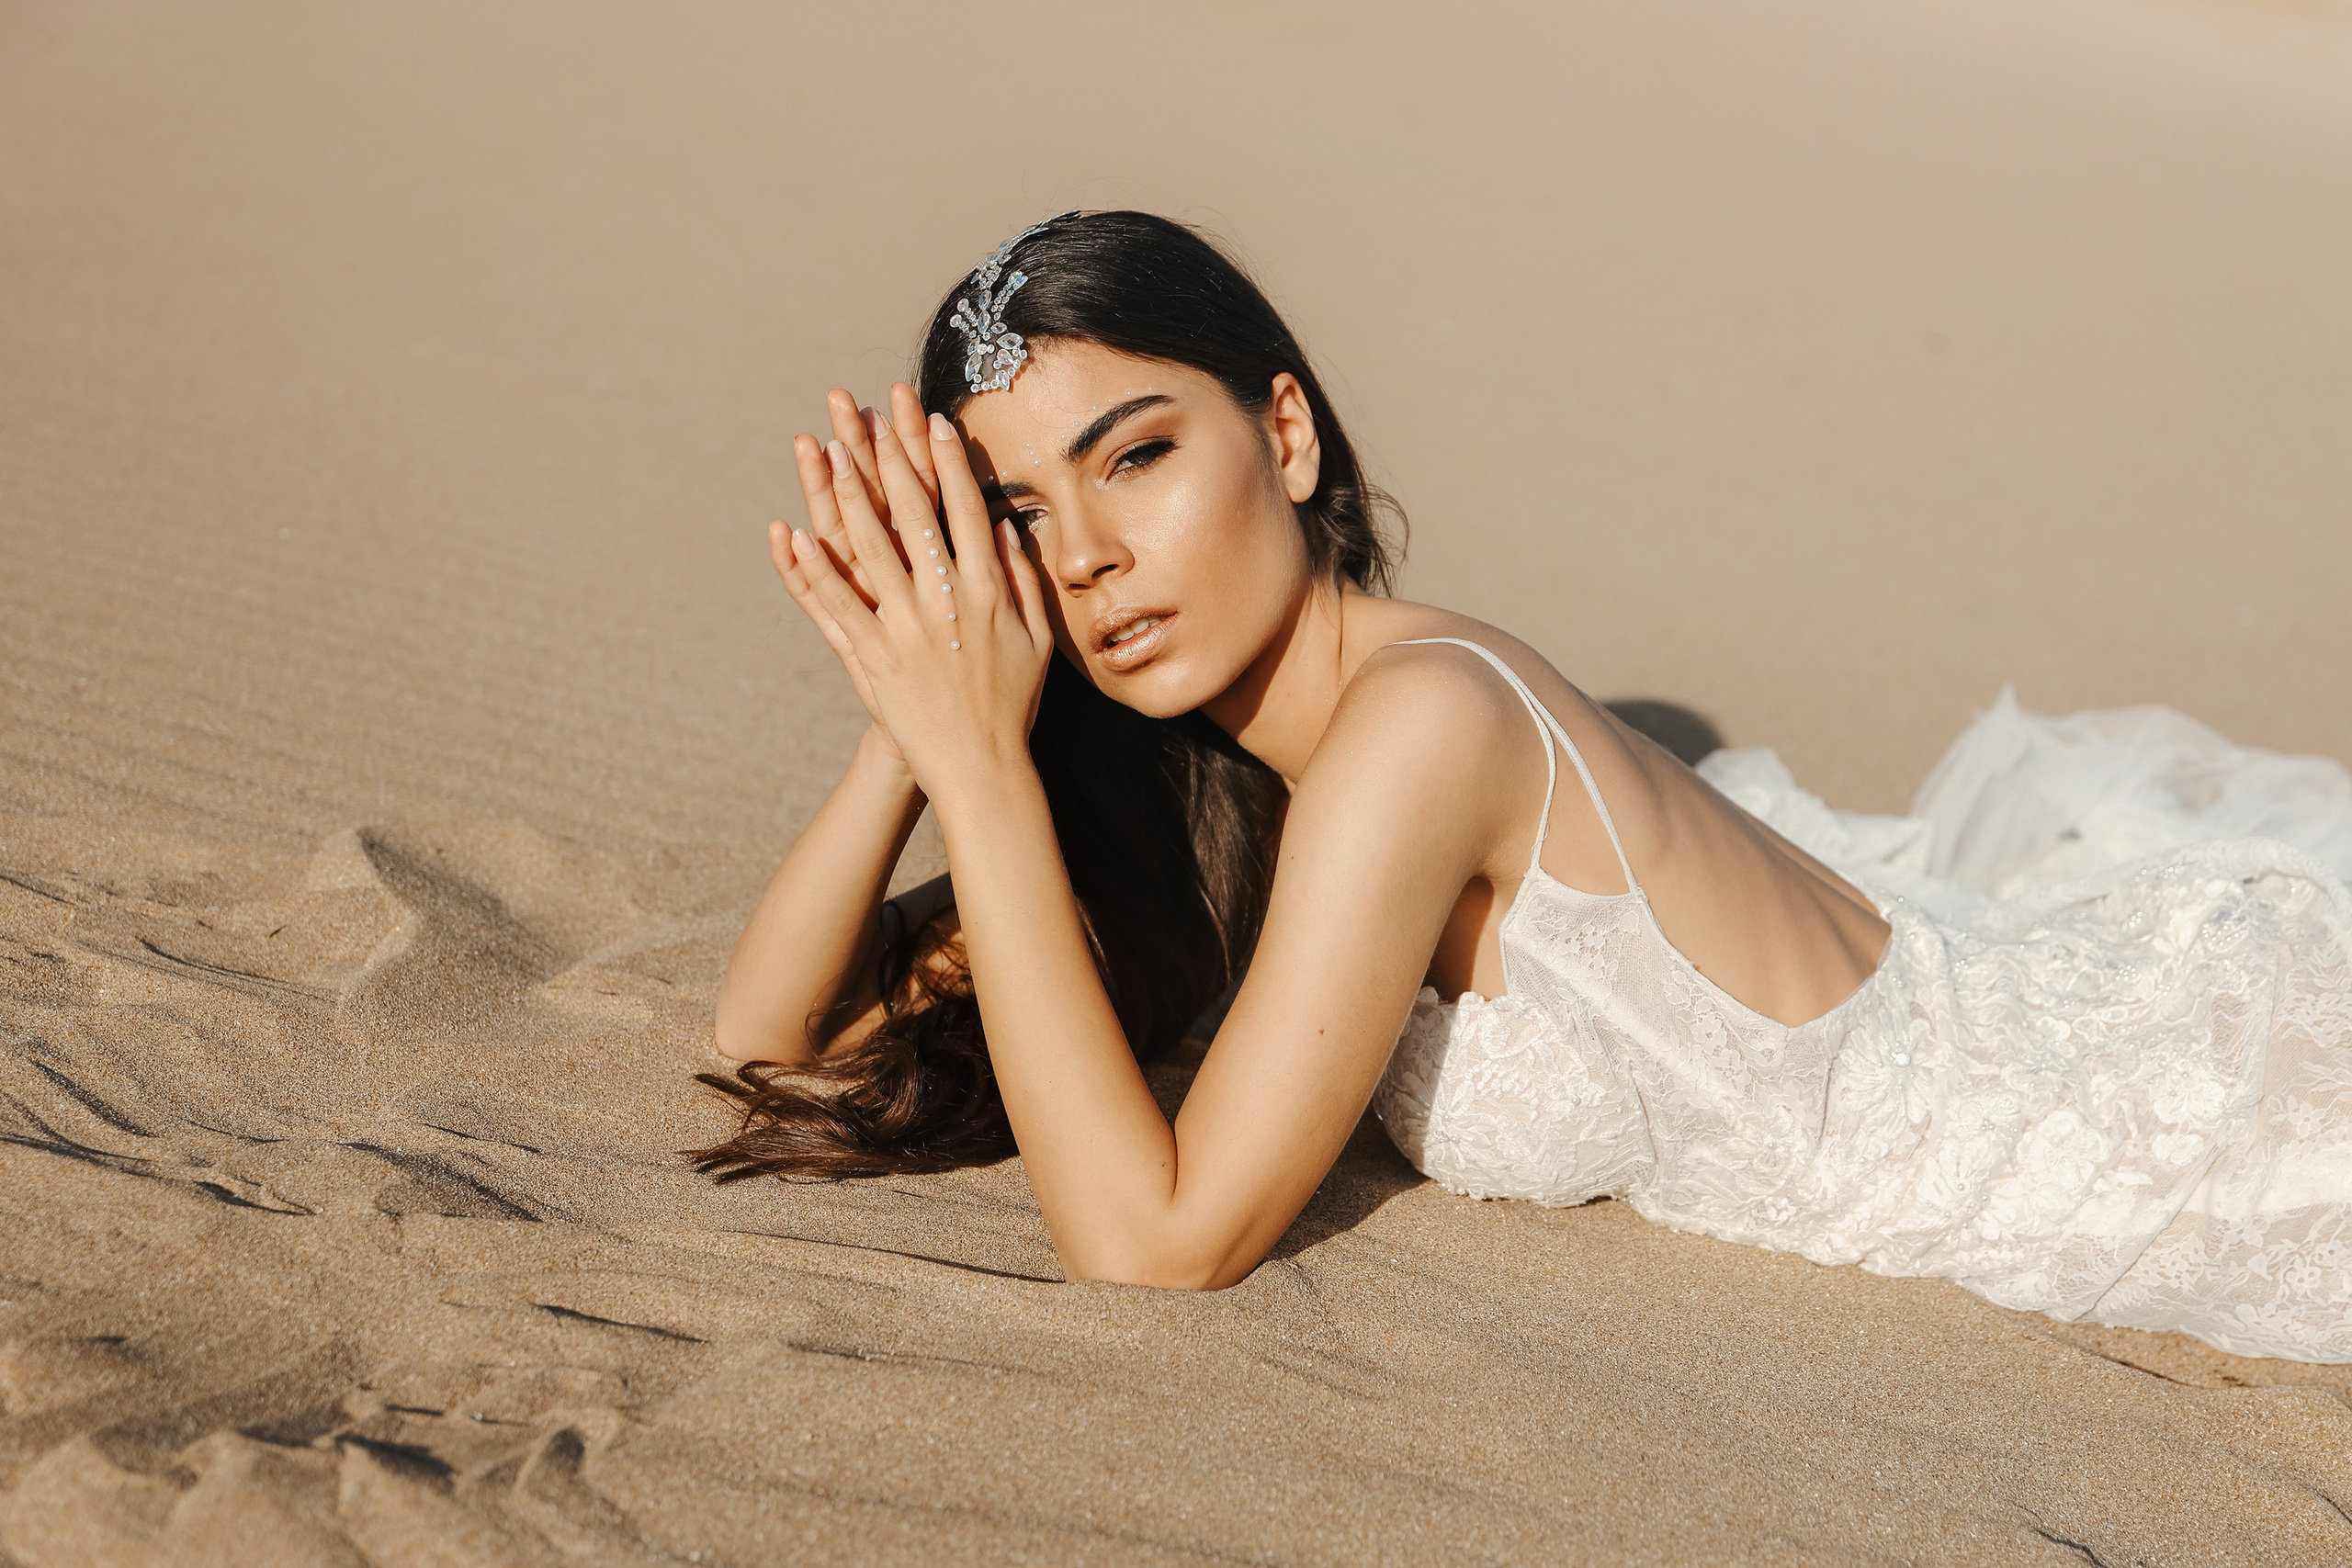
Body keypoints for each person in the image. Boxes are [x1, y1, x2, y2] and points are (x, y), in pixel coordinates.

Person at [698, 210, 2352, 1363]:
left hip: (2194, 1137)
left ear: (1284, 437)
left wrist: (984, 766)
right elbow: (777, 1038)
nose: (1092, 557)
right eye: (1019, 518)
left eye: (1138, 456)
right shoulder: (1226, 787)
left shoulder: (1422, 724)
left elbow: (1155, 1247)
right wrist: (914, 722)